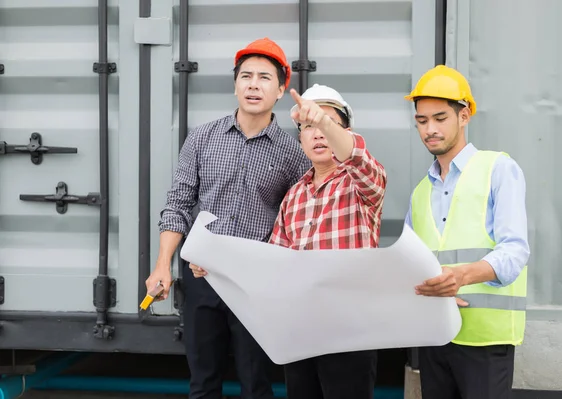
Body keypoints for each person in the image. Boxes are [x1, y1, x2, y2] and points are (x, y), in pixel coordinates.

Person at [146, 37, 311, 399]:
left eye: (265, 78)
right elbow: (178, 203)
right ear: (235, 84)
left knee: (256, 383)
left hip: (255, 283)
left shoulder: (292, 154)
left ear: (281, 90)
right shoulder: (202, 138)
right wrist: (163, 265)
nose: (254, 84)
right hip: (201, 278)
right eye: (246, 76)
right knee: (203, 382)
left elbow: (296, 226)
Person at [403, 65, 530, 399]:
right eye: (421, 120)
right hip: (434, 336)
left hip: (485, 341)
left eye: (440, 118)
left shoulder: (498, 169)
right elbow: (409, 265)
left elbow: (515, 250)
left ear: (465, 115)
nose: (430, 129)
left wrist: (460, 276)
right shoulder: (419, 193)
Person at [269, 83, 387, 399]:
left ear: (344, 131)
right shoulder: (293, 196)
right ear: (300, 139)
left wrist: (320, 119)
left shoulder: (363, 186)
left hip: (349, 332)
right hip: (300, 332)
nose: (318, 133)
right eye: (308, 126)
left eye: (328, 123)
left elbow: (358, 157)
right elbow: (273, 266)